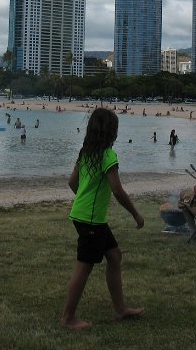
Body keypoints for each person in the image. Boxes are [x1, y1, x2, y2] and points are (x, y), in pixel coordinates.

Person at [60, 108, 144, 330]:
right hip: (91, 220)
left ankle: (120, 309)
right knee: (84, 266)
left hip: (85, 215)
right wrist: (135, 213)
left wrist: (83, 199)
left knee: (114, 256)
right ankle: (68, 317)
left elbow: (72, 183)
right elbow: (117, 190)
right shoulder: (108, 156)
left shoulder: (85, 152)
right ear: (111, 132)